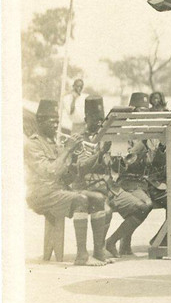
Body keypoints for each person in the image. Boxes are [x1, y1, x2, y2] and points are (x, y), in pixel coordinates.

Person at [25, 100, 111, 266]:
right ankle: (81, 256)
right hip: (40, 194)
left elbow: (68, 176)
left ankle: (99, 252)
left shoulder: (55, 144)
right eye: (52, 121)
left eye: (57, 121)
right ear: (40, 122)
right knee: (81, 200)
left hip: (57, 191)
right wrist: (68, 150)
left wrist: (79, 158)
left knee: (98, 198)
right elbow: (50, 172)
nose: (56, 125)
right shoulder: (33, 144)